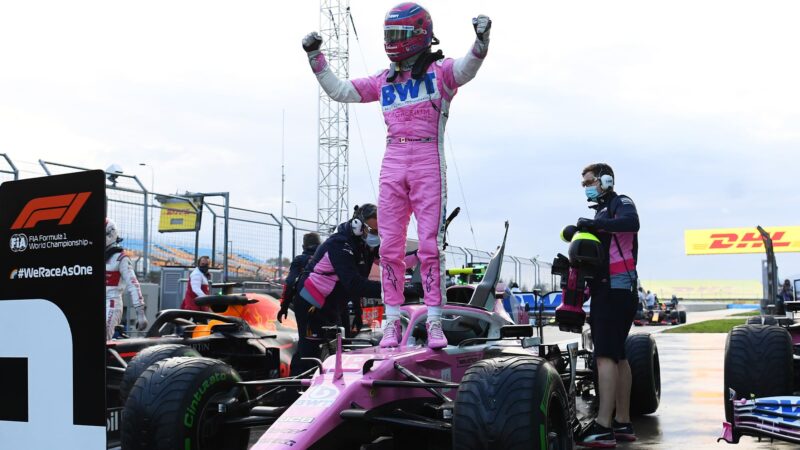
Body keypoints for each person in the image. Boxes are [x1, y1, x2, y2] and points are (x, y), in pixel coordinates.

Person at [302, 3, 492, 349]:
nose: (392, 40)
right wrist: (316, 57)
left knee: (430, 245)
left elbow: (468, 67)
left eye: (398, 34)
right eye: (389, 34)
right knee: (389, 247)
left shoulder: (441, 72)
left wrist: (481, 41)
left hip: (427, 158)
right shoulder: (383, 79)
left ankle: (434, 322)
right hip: (392, 160)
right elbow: (341, 90)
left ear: (419, 34)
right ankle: (392, 321)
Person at [574, 163, 640, 447]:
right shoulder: (601, 212)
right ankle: (622, 422)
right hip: (612, 289)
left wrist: (597, 225)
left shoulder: (620, 203)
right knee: (618, 356)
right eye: (584, 183)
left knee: (604, 357)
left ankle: (603, 426)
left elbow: (632, 223)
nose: (586, 187)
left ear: (605, 180)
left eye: (589, 182)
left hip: (615, 289)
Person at [281, 204, 382, 373]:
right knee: (310, 354)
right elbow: (354, 283)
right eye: (372, 230)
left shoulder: (364, 244)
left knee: (335, 351)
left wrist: (418, 255)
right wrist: (391, 290)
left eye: (378, 232)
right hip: (311, 303)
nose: (374, 235)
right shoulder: (339, 243)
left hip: (333, 304)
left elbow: (391, 259)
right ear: (357, 224)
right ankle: (297, 386)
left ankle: (321, 382)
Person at [105, 218, 147, 340]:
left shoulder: (121, 258)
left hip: (112, 302)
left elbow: (133, 284)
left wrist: (140, 313)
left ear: (111, 234)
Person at [277, 232, 321, 322]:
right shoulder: (327, 258)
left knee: (304, 329)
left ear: (303, 247)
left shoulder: (299, 259)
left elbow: (290, 282)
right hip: (326, 300)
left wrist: (284, 306)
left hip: (304, 300)